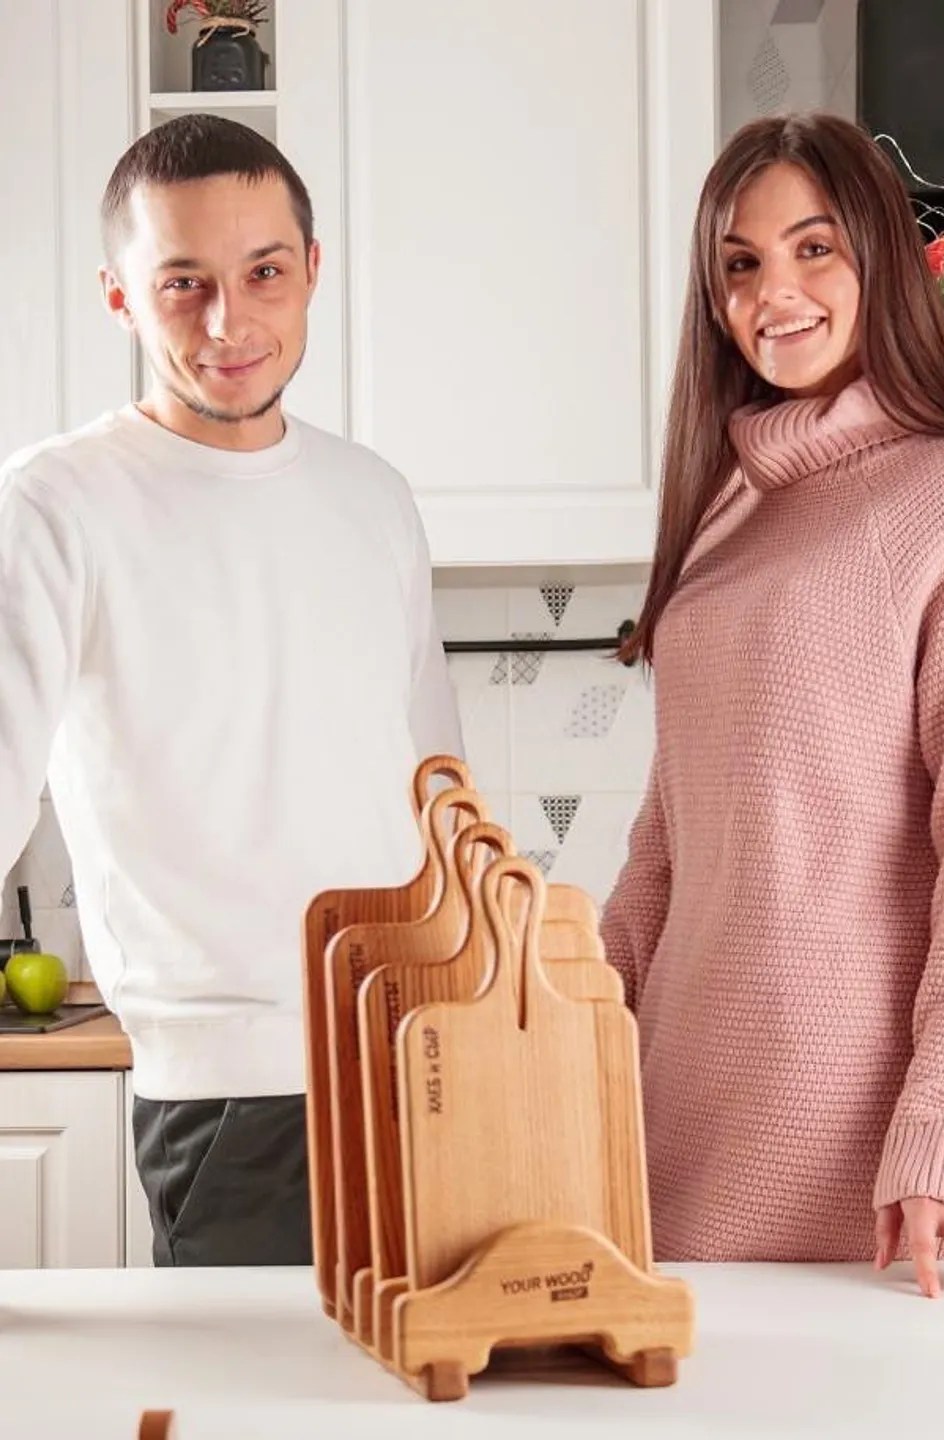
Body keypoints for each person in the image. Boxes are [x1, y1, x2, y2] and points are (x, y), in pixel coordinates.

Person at [601, 112, 944, 1301]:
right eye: (742, 263)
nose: (778, 292)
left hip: (857, 1167)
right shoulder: (723, 517)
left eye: (816, 249)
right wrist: (560, 1026)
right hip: (668, 1131)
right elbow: (669, 846)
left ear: (879, 257)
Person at [0, 115, 463, 1266]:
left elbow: (440, 798)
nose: (228, 321)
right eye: (182, 284)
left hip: (426, 1068)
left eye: (262, 272)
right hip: (232, 1103)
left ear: (313, 268)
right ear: (120, 298)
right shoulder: (55, 506)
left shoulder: (374, 497)